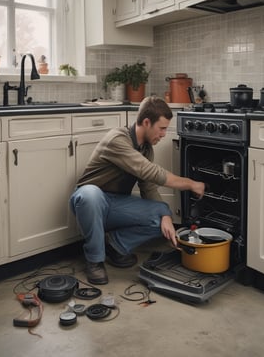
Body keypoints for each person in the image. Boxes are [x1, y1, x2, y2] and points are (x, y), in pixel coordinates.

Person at [69, 96, 205, 285]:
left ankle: (115, 246)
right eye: (162, 128)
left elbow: (148, 187)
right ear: (147, 122)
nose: (164, 134)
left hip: (116, 206)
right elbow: (151, 171)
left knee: (162, 218)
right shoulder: (117, 139)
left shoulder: (146, 149)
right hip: (90, 201)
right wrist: (191, 183)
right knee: (90, 194)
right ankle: (95, 261)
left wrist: (166, 215)